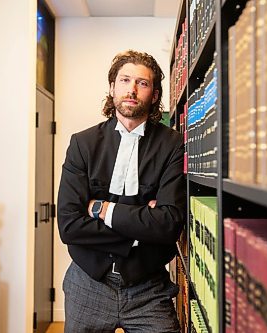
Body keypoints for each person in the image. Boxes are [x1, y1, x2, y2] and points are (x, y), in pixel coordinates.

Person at [57, 50, 186, 332]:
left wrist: (100, 209)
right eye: (125, 80)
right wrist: (140, 228)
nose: (131, 89)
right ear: (112, 87)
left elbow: (167, 225)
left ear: (154, 95)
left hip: (148, 288)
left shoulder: (172, 144)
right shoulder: (82, 143)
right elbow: (68, 226)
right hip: (87, 283)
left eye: (142, 83)